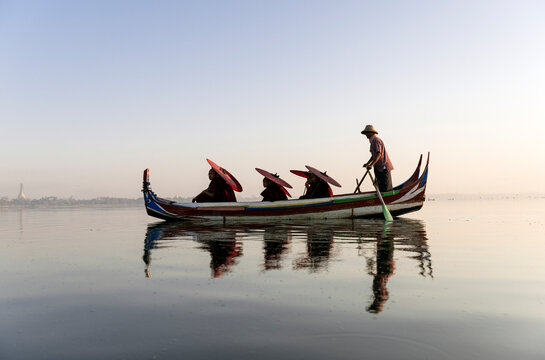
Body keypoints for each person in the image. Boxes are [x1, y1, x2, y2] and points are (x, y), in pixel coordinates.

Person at [362, 125, 394, 192]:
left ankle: (386, 199)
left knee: (385, 187)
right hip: (379, 167)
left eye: (367, 133)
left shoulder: (376, 141)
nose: (366, 135)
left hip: (383, 167)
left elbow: (378, 154)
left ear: (371, 133)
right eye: (365, 133)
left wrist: (371, 165)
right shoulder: (372, 141)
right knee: (380, 185)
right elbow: (373, 155)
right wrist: (368, 163)